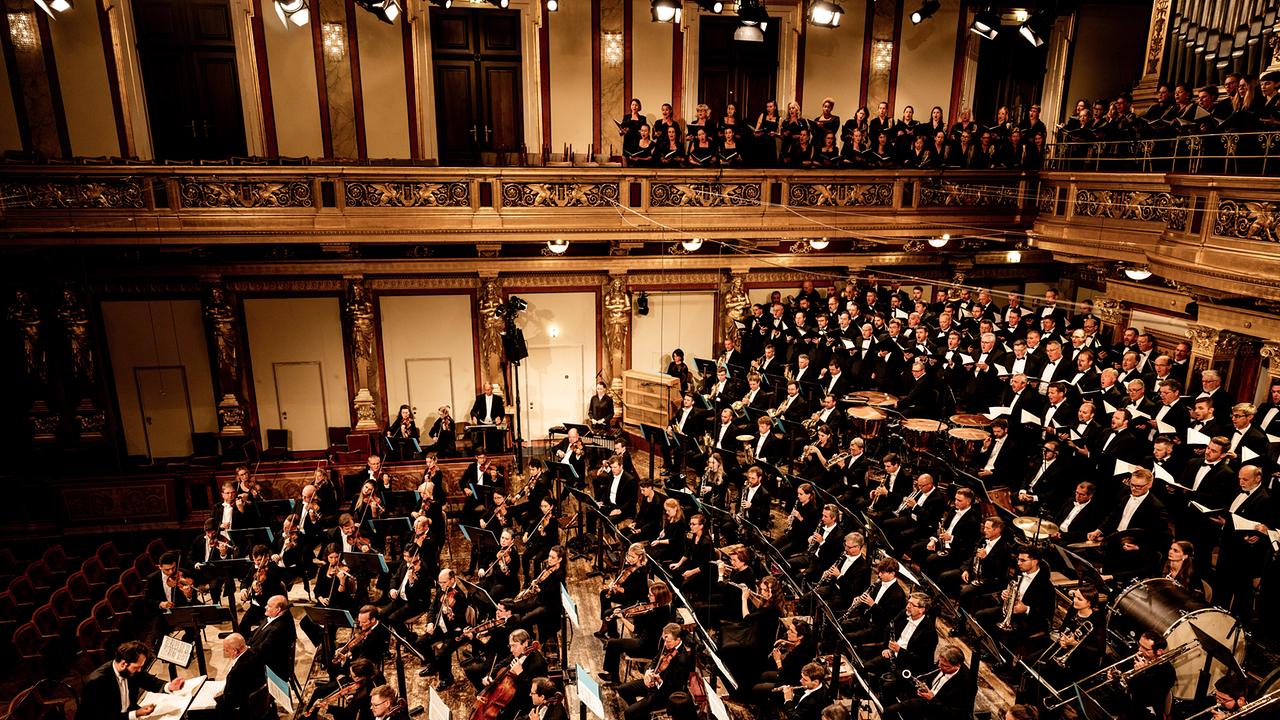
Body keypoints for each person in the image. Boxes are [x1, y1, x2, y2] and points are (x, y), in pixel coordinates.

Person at [616, 623, 695, 720]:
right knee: (622, 689)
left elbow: (674, 686)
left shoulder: (683, 659)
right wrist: (648, 672)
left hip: (662, 694)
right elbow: (655, 659)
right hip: (652, 683)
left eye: (668, 641)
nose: (665, 644)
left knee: (628, 713)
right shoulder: (666, 643)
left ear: (677, 640)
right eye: (664, 640)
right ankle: (642, 714)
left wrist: (659, 681)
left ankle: (638, 712)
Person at [470, 383, 507, 453]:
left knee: (494, 444)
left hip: (493, 422)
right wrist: (474, 417)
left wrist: (499, 417)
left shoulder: (498, 399)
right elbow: (473, 410)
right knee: (481, 442)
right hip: (482, 422)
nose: (487, 391)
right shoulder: (479, 398)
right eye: (486, 390)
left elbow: (502, 412)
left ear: (492, 389)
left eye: (489, 390)